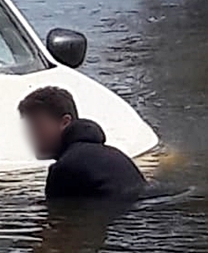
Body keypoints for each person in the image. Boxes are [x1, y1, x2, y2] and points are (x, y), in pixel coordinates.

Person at [18, 86, 146, 200]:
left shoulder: (65, 169)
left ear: (65, 122)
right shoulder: (115, 154)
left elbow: (60, 222)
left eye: (37, 126)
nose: (32, 135)